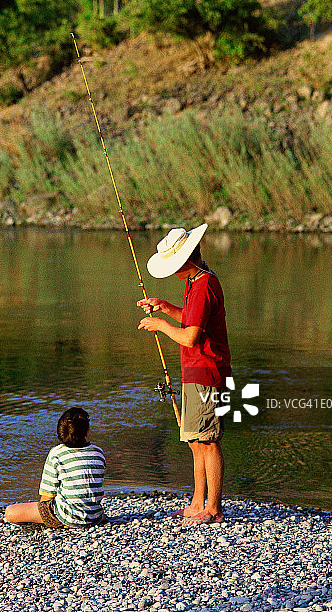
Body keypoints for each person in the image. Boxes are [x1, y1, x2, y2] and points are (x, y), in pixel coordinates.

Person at [137, 223, 231, 526]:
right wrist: (165, 308)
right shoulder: (195, 280)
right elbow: (193, 319)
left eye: (175, 267)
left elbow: (190, 336)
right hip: (194, 370)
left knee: (208, 439)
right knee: (194, 439)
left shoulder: (204, 285)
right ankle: (196, 502)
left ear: (188, 260)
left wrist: (160, 326)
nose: (174, 272)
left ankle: (213, 508)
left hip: (207, 371)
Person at [5, 407, 106, 529]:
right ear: (88, 429)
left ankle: (65, 522)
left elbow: (47, 496)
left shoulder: (56, 454)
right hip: (95, 515)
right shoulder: (98, 452)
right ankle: (83, 518)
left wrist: (43, 514)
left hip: (67, 515)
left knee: (10, 512)